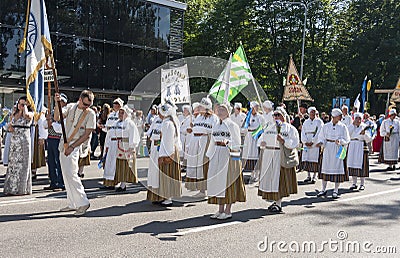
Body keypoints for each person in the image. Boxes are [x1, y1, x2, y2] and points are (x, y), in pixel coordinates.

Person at [54, 90, 96, 216]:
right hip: (64, 143)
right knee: (65, 174)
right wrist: (57, 104)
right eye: (85, 104)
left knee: (71, 173)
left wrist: (72, 147)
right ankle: (72, 203)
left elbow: (87, 134)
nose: (86, 107)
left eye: (89, 105)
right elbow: (57, 117)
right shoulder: (71, 107)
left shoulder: (90, 114)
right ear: (80, 99)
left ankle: (83, 202)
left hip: (76, 145)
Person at [206, 104, 246, 220]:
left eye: (223, 109)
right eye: (219, 109)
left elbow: (237, 143)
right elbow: (213, 141)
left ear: (228, 112)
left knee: (227, 182)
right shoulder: (216, 125)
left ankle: (228, 211)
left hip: (227, 155)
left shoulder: (232, 125)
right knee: (218, 182)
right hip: (217, 154)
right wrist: (209, 155)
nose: (220, 111)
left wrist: (228, 143)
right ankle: (220, 209)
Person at [257, 108, 299, 212]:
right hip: (268, 155)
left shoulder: (290, 129)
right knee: (270, 179)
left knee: (279, 180)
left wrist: (284, 141)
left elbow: (295, 143)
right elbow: (261, 138)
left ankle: (279, 203)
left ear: (283, 116)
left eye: (278, 115)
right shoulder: (269, 127)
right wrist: (261, 143)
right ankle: (274, 201)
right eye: (274, 115)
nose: (276, 117)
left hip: (280, 156)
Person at [185, 97, 218, 197]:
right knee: (196, 166)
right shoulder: (198, 117)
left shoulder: (213, 118)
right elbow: (197, 128)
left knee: (204, 166)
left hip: (205, 142)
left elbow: (214, 131)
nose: (199, 108)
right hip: (195, 142)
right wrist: (192, 129)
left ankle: (206, 190)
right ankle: (201, 189)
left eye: (201, 106)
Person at [103, 105, 140, 192]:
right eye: (119, 112)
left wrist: (131, 147)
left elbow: (133, 135)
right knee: (112, 165)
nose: (120, 114)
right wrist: (107, 146)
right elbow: (109, 134)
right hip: (113, 146)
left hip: (123, 147)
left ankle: (123, 185)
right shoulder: (116, 123)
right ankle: (111, 182)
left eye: (122, 112)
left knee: (123, 166)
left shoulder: (130, 123)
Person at [316, 108, 350, 199]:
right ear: (334, 116)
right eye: (339, 116)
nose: (341, 117)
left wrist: (340, 141)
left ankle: (336, 190)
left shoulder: (343, 127)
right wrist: (321, 142)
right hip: (328, 148)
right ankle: (323, 189)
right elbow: (321, 136)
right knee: (325, 167)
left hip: (337, 148)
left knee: (338, 168)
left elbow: (347, 139)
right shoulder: (326, 126)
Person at [3, 96, 34, 195]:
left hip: (24, 139)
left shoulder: (31, 112)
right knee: (14, 164)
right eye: (19, 103)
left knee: (23, 163)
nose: (20, 105)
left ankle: (22, 188)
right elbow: (12, 121)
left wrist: (24, 108)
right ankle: (11, 187)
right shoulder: (15, 113)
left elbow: (27, 116)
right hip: (15, 139)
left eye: (23, 104)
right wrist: (17, 111)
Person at [157, 101, 182, 206]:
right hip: (171, 149)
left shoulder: (167, 123)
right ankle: (168, 196)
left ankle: (168, 197)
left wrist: (165, 155)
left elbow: (168, 141)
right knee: (169, 173)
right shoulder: (172, 121)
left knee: (167, 174)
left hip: (169, 150)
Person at [43, 93, 68, 191]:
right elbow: (45, 125)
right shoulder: (52, 112)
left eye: (61, 101)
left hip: (59, 139)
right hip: (50, 138)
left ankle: (61, 183)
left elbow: (62, 128)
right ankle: (53, 182)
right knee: (51, 162)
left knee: (59, 162)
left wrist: (52, 122)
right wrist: (48, 120)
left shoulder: (65, 113)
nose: (59, 103)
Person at [347, 113, 374, 191]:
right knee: (352, 164)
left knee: (362, 165)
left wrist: (364, 134)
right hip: (352, 145)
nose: (358, 120)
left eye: (359, 119)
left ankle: (362, 184)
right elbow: (347, 135)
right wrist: (352, 125)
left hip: (361, 145)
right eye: (356, 118)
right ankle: (354, 183)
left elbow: (369, 139)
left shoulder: (364, 127)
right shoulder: (350, 126)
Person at [301, 106, 324, 183]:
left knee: (314, 159)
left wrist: (313, 141)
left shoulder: (319, 122)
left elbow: (319, 132)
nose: (312, 114)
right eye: (311, 112)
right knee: (307, 159)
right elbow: (303, 132)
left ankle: (314, 176)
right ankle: (308, 176)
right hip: (307, 142)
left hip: (315, 143)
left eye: (314, 112)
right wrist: (305, 141)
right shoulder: (305, 122)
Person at [146, 109, 163, 203]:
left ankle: (161, 195)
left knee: (159, 171)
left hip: (161, 146)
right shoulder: (156, 119)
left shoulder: (168, 121)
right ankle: (154, 194)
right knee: (153, 171)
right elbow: (150, 130)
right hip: (154, 145)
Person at [242, 101, 264, 171]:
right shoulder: (247, 116)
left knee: (255, 152)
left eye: (257, 107)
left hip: (256, 136)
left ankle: (255, 167)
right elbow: (243, 127)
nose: (256, 109)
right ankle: (247, 167)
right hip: (249, 135)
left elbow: (263, 126)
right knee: (248, 151)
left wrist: (257, 132)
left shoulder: (260, 117)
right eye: (255, 107)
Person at [31, 108, 47, 180]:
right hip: (28, 132)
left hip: (35, 133)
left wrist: (42, 137)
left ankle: (33, 171)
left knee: (35, 152)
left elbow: (42, 123)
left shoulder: (40, 110)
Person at [179, 105, 192, 171]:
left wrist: (185, 130)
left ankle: (186, 165)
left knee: (186, 152)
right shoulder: (183, 118)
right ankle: (184, 165)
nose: (183, 111)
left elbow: (188, 128)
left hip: (187, 136)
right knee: (183, 152)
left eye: (185, 110)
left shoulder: (190, 119)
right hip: (182, 136)